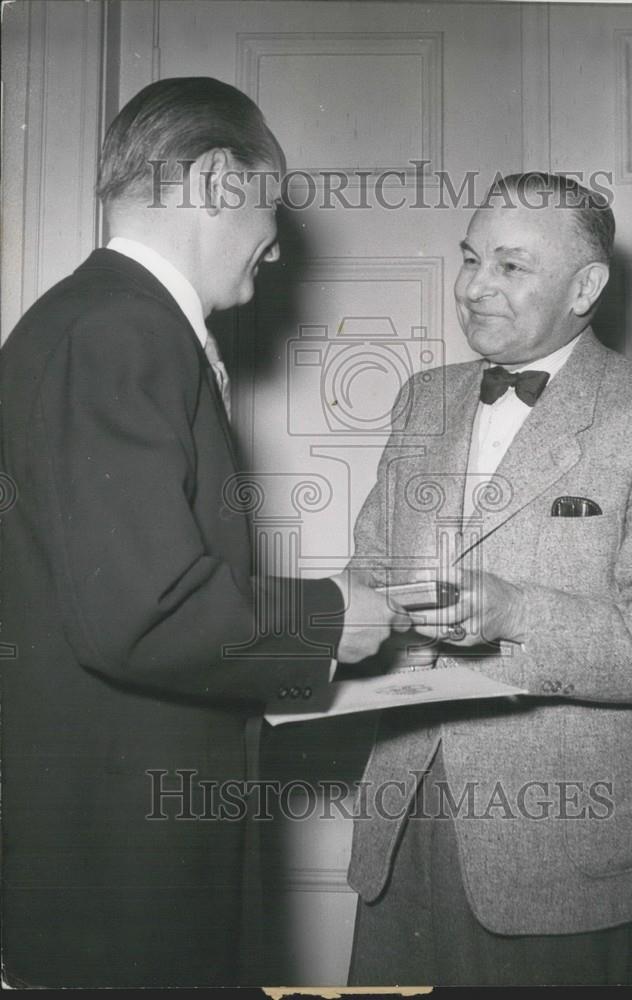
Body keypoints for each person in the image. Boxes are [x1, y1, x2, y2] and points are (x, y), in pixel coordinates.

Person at [0, 77, 404, 988]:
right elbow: (143, 611)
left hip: (121, 844)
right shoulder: (120, 330)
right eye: (272, 203)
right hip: (126, 870)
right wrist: (330, 618)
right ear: (221, 180)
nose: (274, 244)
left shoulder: (100, 322)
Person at [345, 172, 632, 986]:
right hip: (401, 820)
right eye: (470, 258)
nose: (474, 286)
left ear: (585, 286)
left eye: (511, 267)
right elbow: (369, 573)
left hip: (559, 849)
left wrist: (516, 610)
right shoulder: (423, 398)